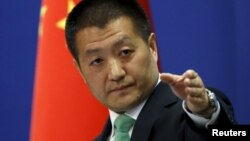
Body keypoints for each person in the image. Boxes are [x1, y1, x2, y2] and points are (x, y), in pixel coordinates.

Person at [65, 0, 236, 140]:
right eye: (97, 61)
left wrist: (204, 112)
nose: (116, 73)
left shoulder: (190, 116)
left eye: (125, 52)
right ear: (80, 71)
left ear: (152, 47)